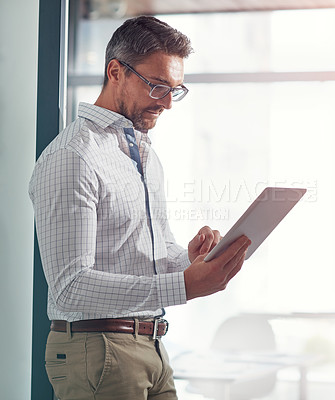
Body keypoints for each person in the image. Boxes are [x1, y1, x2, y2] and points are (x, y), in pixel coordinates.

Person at [29, 15, 250, 400]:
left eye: (175, 90)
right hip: (99, 352)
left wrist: (188, 261)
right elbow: (69, 286)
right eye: (157, 86)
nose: (166, 103)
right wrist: (182, 286)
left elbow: (149, 256)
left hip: (152, 346)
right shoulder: (74, 156)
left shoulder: (142, 154)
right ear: (116, 71)